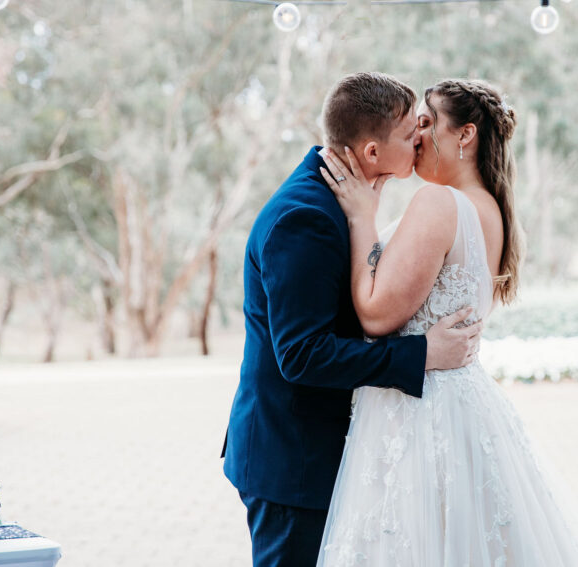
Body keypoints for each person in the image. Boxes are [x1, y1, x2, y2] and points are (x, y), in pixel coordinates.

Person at [315, 79, 578, 566]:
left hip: (419, 414)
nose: (417, 133)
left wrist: (361, 218)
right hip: (462, 406)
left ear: (466, 136)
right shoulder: (492, 212)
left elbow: (375, 314)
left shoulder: (440, 204)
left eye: (429, 120)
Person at [222, 72, 483, 567]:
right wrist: (422, 353)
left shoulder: (347, 196)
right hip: (293, 462)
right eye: (411, 134)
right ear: (370, 153)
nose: (421, 140)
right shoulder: (307, 217)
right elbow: (302, 355)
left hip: (321, 452)